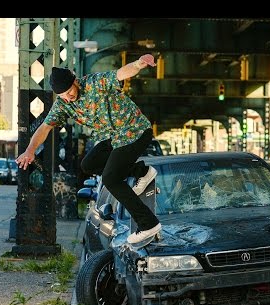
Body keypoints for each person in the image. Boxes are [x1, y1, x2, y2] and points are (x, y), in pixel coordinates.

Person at [15, 54, 161, 246]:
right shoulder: (63, 105)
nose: (68, 98)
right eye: (63, 96)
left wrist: (138, 64)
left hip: (135, 131)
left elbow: (121, 74)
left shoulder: (95, 83)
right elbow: (44, 128)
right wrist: (30, 150)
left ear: (75, 81)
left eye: (69, 92)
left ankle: (148, 224)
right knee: (89, 164)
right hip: (113, 137)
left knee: (111, 179)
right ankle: (141, 171)